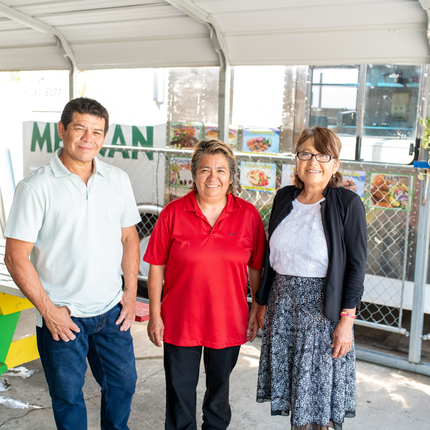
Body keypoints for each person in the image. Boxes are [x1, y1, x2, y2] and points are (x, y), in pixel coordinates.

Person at [4, 97, 141, 430]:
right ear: (62, 130)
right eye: (80, 128)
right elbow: (15, 256)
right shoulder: (35, 187)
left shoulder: (117, 180)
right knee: (68, 398)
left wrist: (130, 292)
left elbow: (130, 239)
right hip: (61, 316)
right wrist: (49, 311)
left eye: (96, 131)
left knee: (123, 385)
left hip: (111, 311)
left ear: (104, 137)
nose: (88, 138)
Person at [143, 139, 266, 430]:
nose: (213, 177)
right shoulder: (173, 212)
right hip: (179, 319)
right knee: (179, 395)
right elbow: (156, 267)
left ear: (232, 176)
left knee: (218, 395)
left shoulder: (248, 216)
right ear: (193, 173)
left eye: (221, 170)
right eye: (205, 170)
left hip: (227, 319)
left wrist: (255, 309)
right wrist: (155, 315)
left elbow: (256, 268)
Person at [255, 127, 367, 430]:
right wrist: (262, 303)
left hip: (323, 315)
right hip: (283, 309)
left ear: (335, 164)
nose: (313, 161)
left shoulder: (347, 203)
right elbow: (272, 259)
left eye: (322, 154)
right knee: (297, 401)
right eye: (305, 153)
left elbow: (356, 267)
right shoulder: (283, 197)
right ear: (297, 159)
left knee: (317, 405)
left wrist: (346, 321)